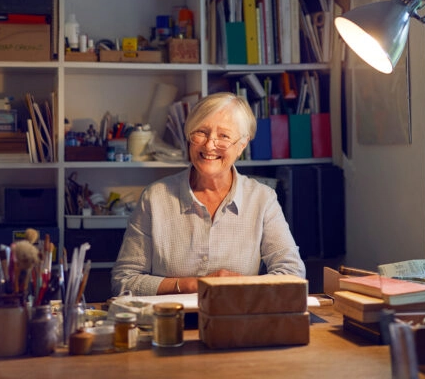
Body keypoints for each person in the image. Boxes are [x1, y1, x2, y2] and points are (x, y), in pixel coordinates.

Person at [111, 92, 306, 296]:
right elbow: (124, 280)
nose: (209, 144)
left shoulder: (262, 199)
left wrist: (237, 283)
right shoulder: (155, 197)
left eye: (223, 136)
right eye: (201, 132)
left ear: (242, 145)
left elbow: (293, 274)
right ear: (189, 136)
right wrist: (191, 285)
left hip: (238, 322)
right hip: (170, 322)